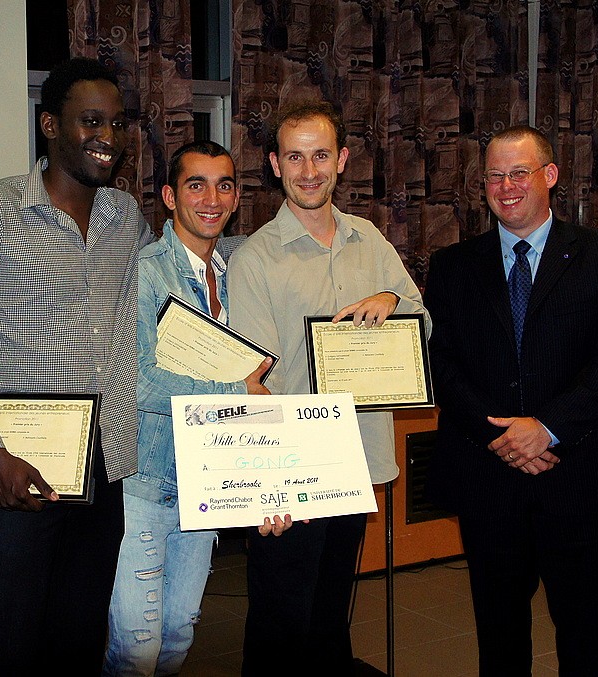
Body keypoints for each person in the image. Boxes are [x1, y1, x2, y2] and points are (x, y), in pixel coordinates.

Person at [0, 57, 153, 674]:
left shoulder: (126, 220)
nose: (107, 138)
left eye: (117, 123)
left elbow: (134, 337)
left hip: (103, 469)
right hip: (13, 472)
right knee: (7, 643)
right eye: (91, 121)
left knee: (77, 639)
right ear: (50, 125)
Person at [424, 125, 598, 675]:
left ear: (550, 176)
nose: (505, 186)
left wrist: (546, 427)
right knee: (498, 637)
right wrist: (501, 434)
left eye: (518, 172)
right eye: (494, 176)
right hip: (488, 477)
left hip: (578, 474)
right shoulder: (453, 265)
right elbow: (442, 363)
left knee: (584, 635)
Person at [227, 100, 428, 675]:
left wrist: (392, 301)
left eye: (320, 155)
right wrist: (271, 485)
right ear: (273, 165)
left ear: (342, 160)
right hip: (294, 470)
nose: (309, 170)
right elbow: (251, 383)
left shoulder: (370, 239)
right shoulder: (256, 259)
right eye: (295, 157)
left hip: (357, 460)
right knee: (279, 624)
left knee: (329, 614)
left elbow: (421, 323)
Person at [103, 141, 288, 676]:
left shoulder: (240, 271)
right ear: (168, 196)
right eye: (195, 185)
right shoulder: (144, 272)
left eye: (224, 185)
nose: (212, 198)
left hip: (211, 480)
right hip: (147, 481)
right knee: (135, 645)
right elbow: (135, 382)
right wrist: (235, 394)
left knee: (180, 631)